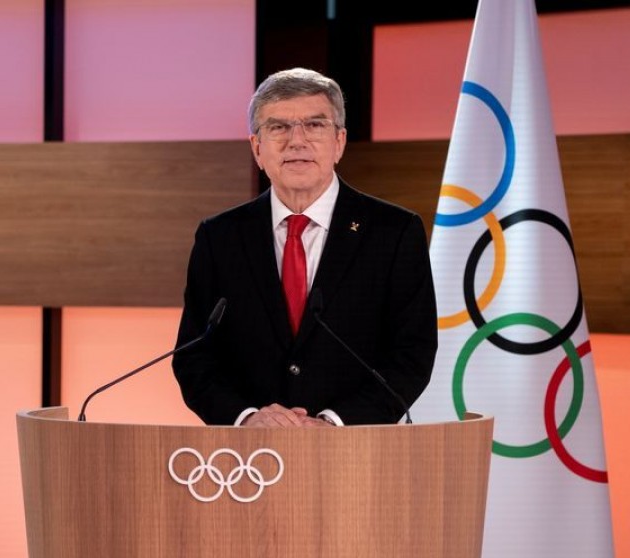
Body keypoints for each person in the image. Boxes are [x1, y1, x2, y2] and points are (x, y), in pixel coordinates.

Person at [172, 68, 437, 427]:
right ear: (257, 148)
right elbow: (193, 356)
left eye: (314, 125)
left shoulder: (394, 232)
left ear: (339, 142)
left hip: (357, 452)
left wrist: (335, 422)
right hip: (245, 460)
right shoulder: (219, 237)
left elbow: (412, 355)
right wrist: (246, 418)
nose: (297, 141)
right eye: (278, 127)